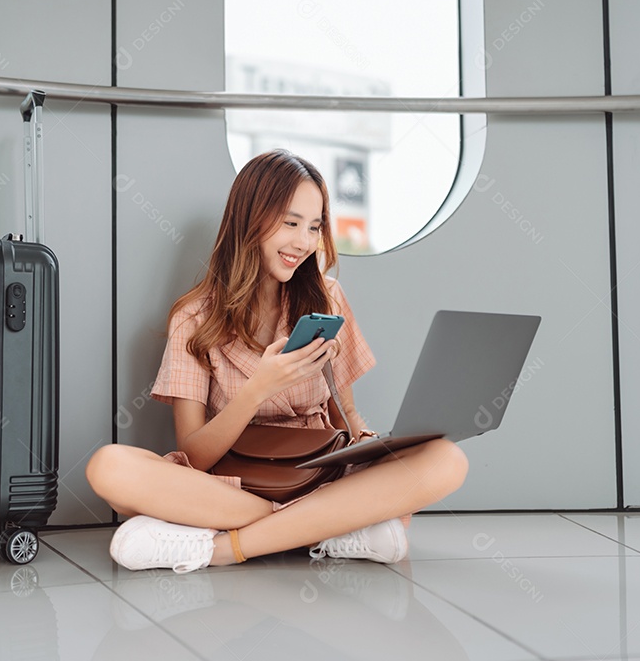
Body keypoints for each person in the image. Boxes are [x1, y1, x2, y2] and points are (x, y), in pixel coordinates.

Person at [86, 149, 468, 574]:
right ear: (249, 219)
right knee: (110, 468)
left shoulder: (328, 298)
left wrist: (376, 447)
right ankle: (327, 527)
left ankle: (220, 547)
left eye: (314, 227)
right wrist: (257, 390)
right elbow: (194, 457)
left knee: (445, 459)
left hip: (319, 476)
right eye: (290, 223)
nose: (304, 243)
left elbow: (348, 417)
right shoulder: (194, 317)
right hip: (229, 484)